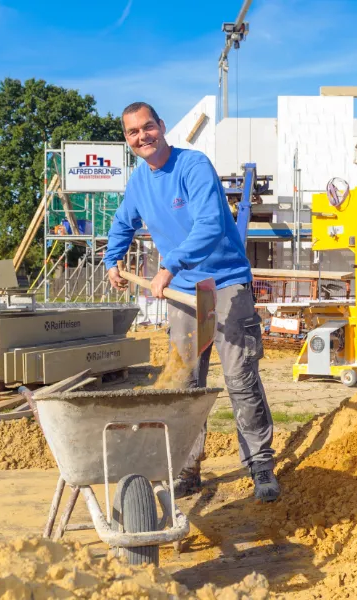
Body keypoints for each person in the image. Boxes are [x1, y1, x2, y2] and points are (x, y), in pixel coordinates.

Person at [104, 101, 281, 503]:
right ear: (128, 139)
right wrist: (111, 259)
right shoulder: (138, 181)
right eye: (132, 132)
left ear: (161, 127)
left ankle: (261, 465)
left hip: (224, 284)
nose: (142, 137)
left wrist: (170, 265)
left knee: (239, 377)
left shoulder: (192, 166)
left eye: (147, 127)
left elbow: (210, 225)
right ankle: (186, 469)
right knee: (186, 383)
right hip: (183, 294)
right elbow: (122, 222)